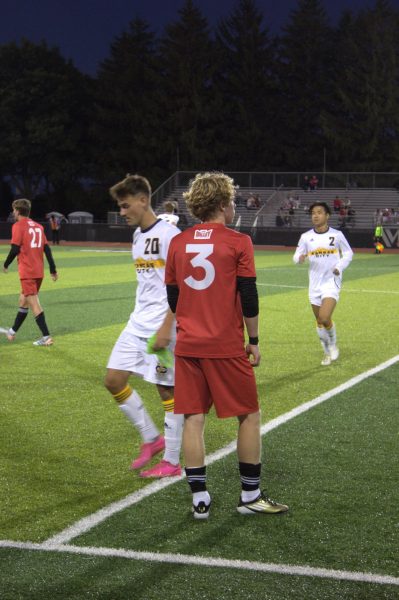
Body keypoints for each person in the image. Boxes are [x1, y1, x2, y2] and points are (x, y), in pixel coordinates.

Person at [165, 171, 288, 519]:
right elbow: (248, 295)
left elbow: (173, 295)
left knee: (192, 418)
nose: (234, 206)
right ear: (222, 204)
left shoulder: (178, 242)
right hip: (224, 344)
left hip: (188, 345)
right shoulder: (238, 241)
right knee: (248, 415)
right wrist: (254, 340)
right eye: (232, 200)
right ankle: (250, 496)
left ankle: (199, 498)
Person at [104, 174, 183, 478]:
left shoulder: (170, 236)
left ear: (142, 200)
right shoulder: (137, 236)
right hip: (136, 323)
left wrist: (167, 327)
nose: (122, 212)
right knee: (113, 380)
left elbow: (182, 287)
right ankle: (153, 439)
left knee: (167, 390)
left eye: (125, 206)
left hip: (163, 327)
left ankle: (173, 462)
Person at [293, 202, 353, 366]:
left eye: (319, 212)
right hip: (314, 284)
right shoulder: (306, 237)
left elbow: (348, 253)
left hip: (331, 282)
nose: (315, 215)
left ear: (327, 216)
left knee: (324, 316)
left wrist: (339, 267)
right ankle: (326, 352)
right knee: (320, 321)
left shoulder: (337, 235)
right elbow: (296, 256)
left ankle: (332, 344)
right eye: (313, 213)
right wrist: (300, 258)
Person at [1, 198, 58, 346]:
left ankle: (46, 337)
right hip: (38, 272)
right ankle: (12, 332)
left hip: (27, 272)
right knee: (23, 300)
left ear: (18, 211)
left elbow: (14, 249)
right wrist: (52, 269)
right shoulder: (39, 226)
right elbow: (47, 248)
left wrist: (6, 264)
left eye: (14, 210)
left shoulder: (18, 226)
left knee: (34, 304)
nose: (13, 212)